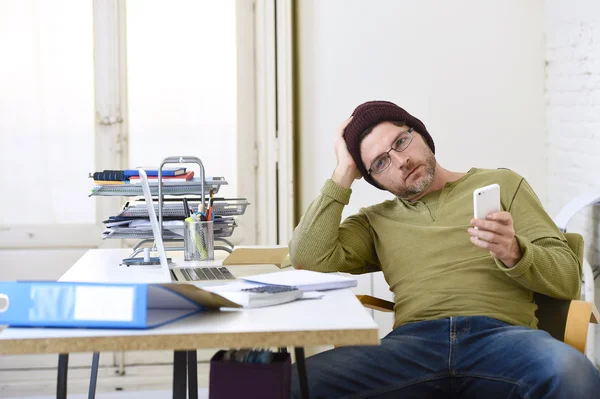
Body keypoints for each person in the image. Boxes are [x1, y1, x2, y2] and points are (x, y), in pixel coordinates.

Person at [288, 101, 600, 398]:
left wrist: (515, 252)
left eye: (400, 142)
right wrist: (342, 172)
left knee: (571, 371)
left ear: (420, 134)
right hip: (410, 350)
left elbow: (568, 278)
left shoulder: (503, 184)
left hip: (502, 341)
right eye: (380, 163)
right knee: (290, 384)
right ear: (372, 179)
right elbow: (306, 255)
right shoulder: (375, 221)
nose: (400, 161)